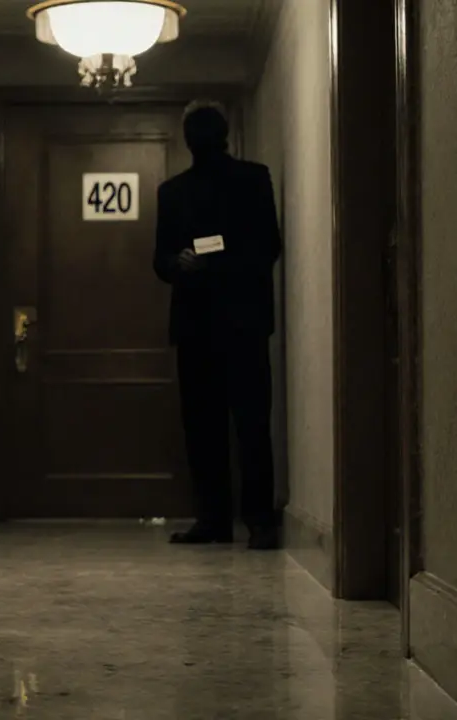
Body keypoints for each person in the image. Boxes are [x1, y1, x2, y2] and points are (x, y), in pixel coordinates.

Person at [153, 100, 283, 550]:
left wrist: (204, 259)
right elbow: (160, 259)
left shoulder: (249, 179)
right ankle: (231, 520)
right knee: (221, 426)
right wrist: (179, 262)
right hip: (212, 322)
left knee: (238, 425)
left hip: (234, 320)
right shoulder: (174, 191)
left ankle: (244, 519)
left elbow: (267, 245)